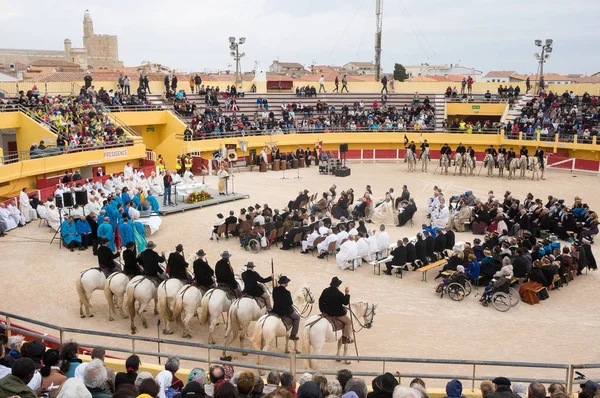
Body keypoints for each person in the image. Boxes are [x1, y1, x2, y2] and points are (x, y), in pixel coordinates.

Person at [318, 277, 353, 344]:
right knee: (349, 322)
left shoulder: (325, 290)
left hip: (326, 312)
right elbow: (345, 302)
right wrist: (347, 293)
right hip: (337, 313)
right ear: (338, 285)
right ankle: (345, 338)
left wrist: (323, 311)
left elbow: (320, 301)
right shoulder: (339, 293)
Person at [272, 275, 300, 340]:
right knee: (297, 318)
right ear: (285, 283)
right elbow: (290, 303)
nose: (287, 283)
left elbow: (274, 298)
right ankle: (293, 335)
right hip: (285, 311)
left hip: (275, 310)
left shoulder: (274, 290)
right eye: (287, 282)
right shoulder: (287, 292)